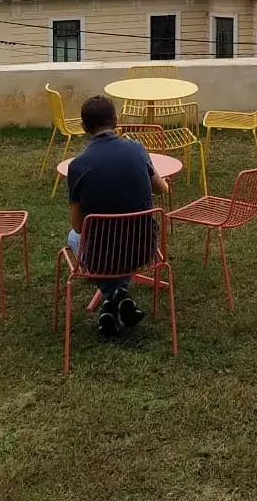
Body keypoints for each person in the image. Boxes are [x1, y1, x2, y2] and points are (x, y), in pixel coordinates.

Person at [66, 94, 168, 337]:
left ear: (83, 128)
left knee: (72, 237)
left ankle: (112, 296)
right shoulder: (137, 149)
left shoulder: (77, 166)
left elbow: (79, 227)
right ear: (116, 120)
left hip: (101, 255)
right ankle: (119, 297)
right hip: (142, 248)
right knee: (106, 242)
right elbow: (161, 189)